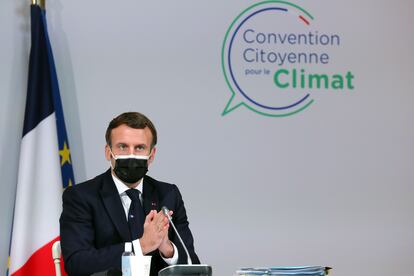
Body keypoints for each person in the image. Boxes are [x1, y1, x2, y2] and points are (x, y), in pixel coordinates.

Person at [60, 112, 200, 276]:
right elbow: (77, 263)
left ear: (151, 155)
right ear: (108, 152)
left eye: (139, 148)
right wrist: (140, 246)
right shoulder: (81, 196)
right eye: (122, 147)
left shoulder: (168, 194)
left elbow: (193, 266)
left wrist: (167, 249)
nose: (131, 155)